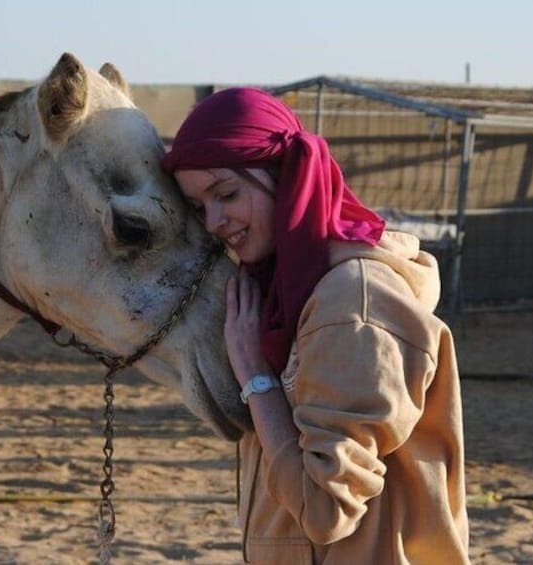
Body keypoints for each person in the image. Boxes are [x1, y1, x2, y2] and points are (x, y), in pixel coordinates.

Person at [162, 87, 469, 564]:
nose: (215, 221)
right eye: (199, 207)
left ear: (283, 177)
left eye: (226, 193)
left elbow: (326, 510)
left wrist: (255, 379)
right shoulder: (286, 291)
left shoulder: (354, 302)